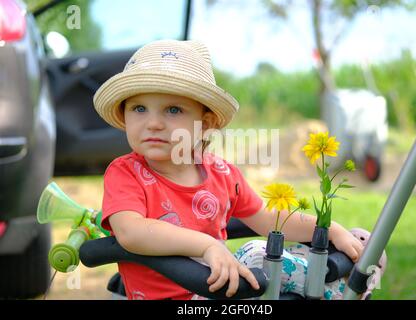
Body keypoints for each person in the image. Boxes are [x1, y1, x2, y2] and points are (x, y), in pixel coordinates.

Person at [93, 40, 384, 300]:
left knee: (356, 239)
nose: (153, 123)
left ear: (204, 123)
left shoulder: (221, 174)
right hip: (180, 297)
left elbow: (270, 219)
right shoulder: (125, 173)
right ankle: (338, 289)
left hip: (222, 287)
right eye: (139, 108)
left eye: (173, 110)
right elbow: (131, 232)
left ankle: (344, 280)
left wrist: (330, 230)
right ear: (124, 115)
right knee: (257, 255)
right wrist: (207, 245)